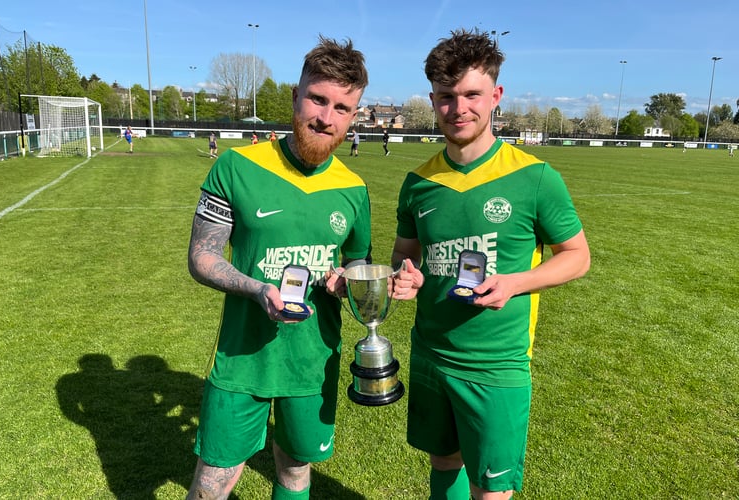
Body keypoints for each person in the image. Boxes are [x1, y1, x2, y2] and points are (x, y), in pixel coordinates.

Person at [390, 28, 590, 500]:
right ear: (433, 100)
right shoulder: (418, 182)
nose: (458, 108)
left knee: (491, 490)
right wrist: (406, 275)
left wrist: (516, 283)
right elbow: (404, 254)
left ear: (496, 96)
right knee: (443, 463)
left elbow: (577, 257)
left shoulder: (535, 178)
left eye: (471, 95)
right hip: (431, 352)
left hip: (497, 364)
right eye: (446, 97)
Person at [186, 35, 371, 500]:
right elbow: (202, 256)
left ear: (354, 116)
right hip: (242, 357)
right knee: (213, 481)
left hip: (313, 360)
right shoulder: (237, 166)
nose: (326, 118)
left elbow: (359, 262)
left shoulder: (354, 189)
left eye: (342, 108)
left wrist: (348, 281)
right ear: (295, 96)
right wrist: (256, 289)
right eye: (317, 99)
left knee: (294, 471)